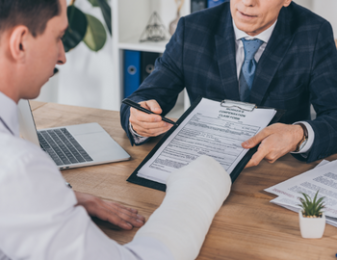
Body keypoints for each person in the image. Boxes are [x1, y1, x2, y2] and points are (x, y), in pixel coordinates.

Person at [0, 0, 231, 259]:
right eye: (58, 37)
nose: (62, 56)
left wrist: (57, 199)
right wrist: (200, 183)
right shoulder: (17, 167)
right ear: (20, 43)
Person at [121, 0, 337, 166]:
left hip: (277, 168)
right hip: (202, 164)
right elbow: (142, 97)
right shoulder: (192, 28)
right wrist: (138, 119)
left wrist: (299, 134)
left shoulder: (314, 32)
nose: (248, 2)